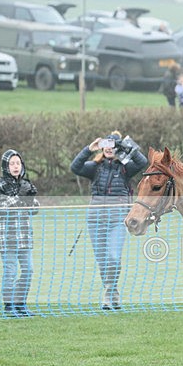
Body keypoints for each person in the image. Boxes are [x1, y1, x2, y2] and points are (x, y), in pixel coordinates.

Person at [70, 131, 148, 310]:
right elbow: (75, 167)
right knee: (103, 260)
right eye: (106, 144)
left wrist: (125, 146)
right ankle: (112, 291)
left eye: (113, 145)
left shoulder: (125, 168)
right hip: (95, 220)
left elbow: (143, 162)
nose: (109, 148)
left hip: (117, 219)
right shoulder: (95, 167)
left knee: (113, 257)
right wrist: (88, 149)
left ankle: (108, 290)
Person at [0, 149, 39, 318]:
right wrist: (20, 197)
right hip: (7, 236)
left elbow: (35, 209)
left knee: (28, 270)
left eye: (18, 163)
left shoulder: (26, 184)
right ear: (6, 166)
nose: (15, 166)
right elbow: (1, 207)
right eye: (12, 163)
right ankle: (9, 306)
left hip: (24, 236)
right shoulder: (0, 186)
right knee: (10, 271)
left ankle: (20, 303)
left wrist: (30, 197)